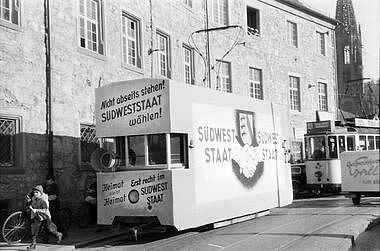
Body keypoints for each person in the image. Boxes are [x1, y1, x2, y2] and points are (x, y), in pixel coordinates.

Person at [26, 185, 62, 249]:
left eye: (37, 192)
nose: (35, 193)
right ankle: (33, 244)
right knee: (34, 229)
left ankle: (58, 234)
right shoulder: (34, 198)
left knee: (50, 229)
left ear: (41, 193)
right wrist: (29, 203)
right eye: (34, 192)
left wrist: (36, 210)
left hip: (45, 216)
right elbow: (31, 205)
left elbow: (45, 210)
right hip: (37, 216)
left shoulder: (44, 200)